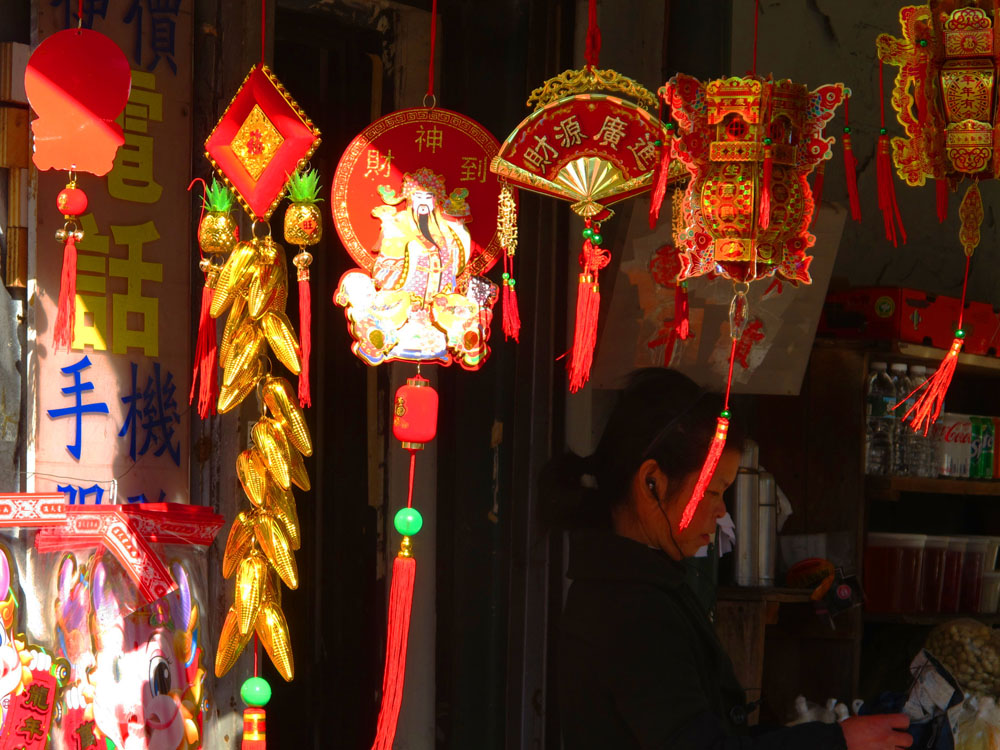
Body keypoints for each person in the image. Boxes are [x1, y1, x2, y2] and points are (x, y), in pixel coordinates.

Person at [542, 368, 912, 750]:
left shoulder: (640, 588)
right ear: (652, 482)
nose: (721, 512)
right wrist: (837, 743)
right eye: (713, 492)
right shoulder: (629, 610)